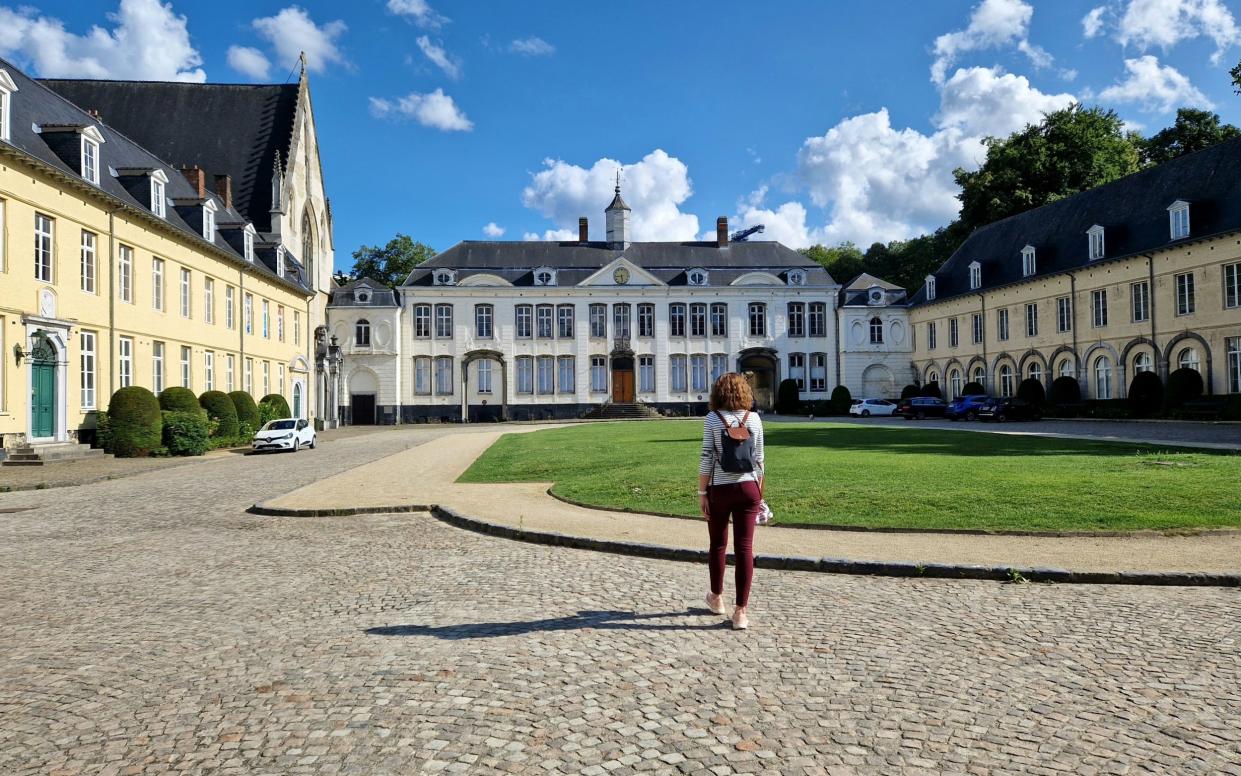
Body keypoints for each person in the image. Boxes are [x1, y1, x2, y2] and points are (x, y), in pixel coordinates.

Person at [698, 373, 765, 630]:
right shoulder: (755, 419)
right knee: (745, 548)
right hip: (749, 489)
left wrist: (702, 493)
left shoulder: (713, 419)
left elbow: (706, 457)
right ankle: (741, 613)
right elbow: (760, 459)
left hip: (720, 489)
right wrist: (760, 494)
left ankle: (716, 598)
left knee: (717, 544)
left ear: (718, 394)